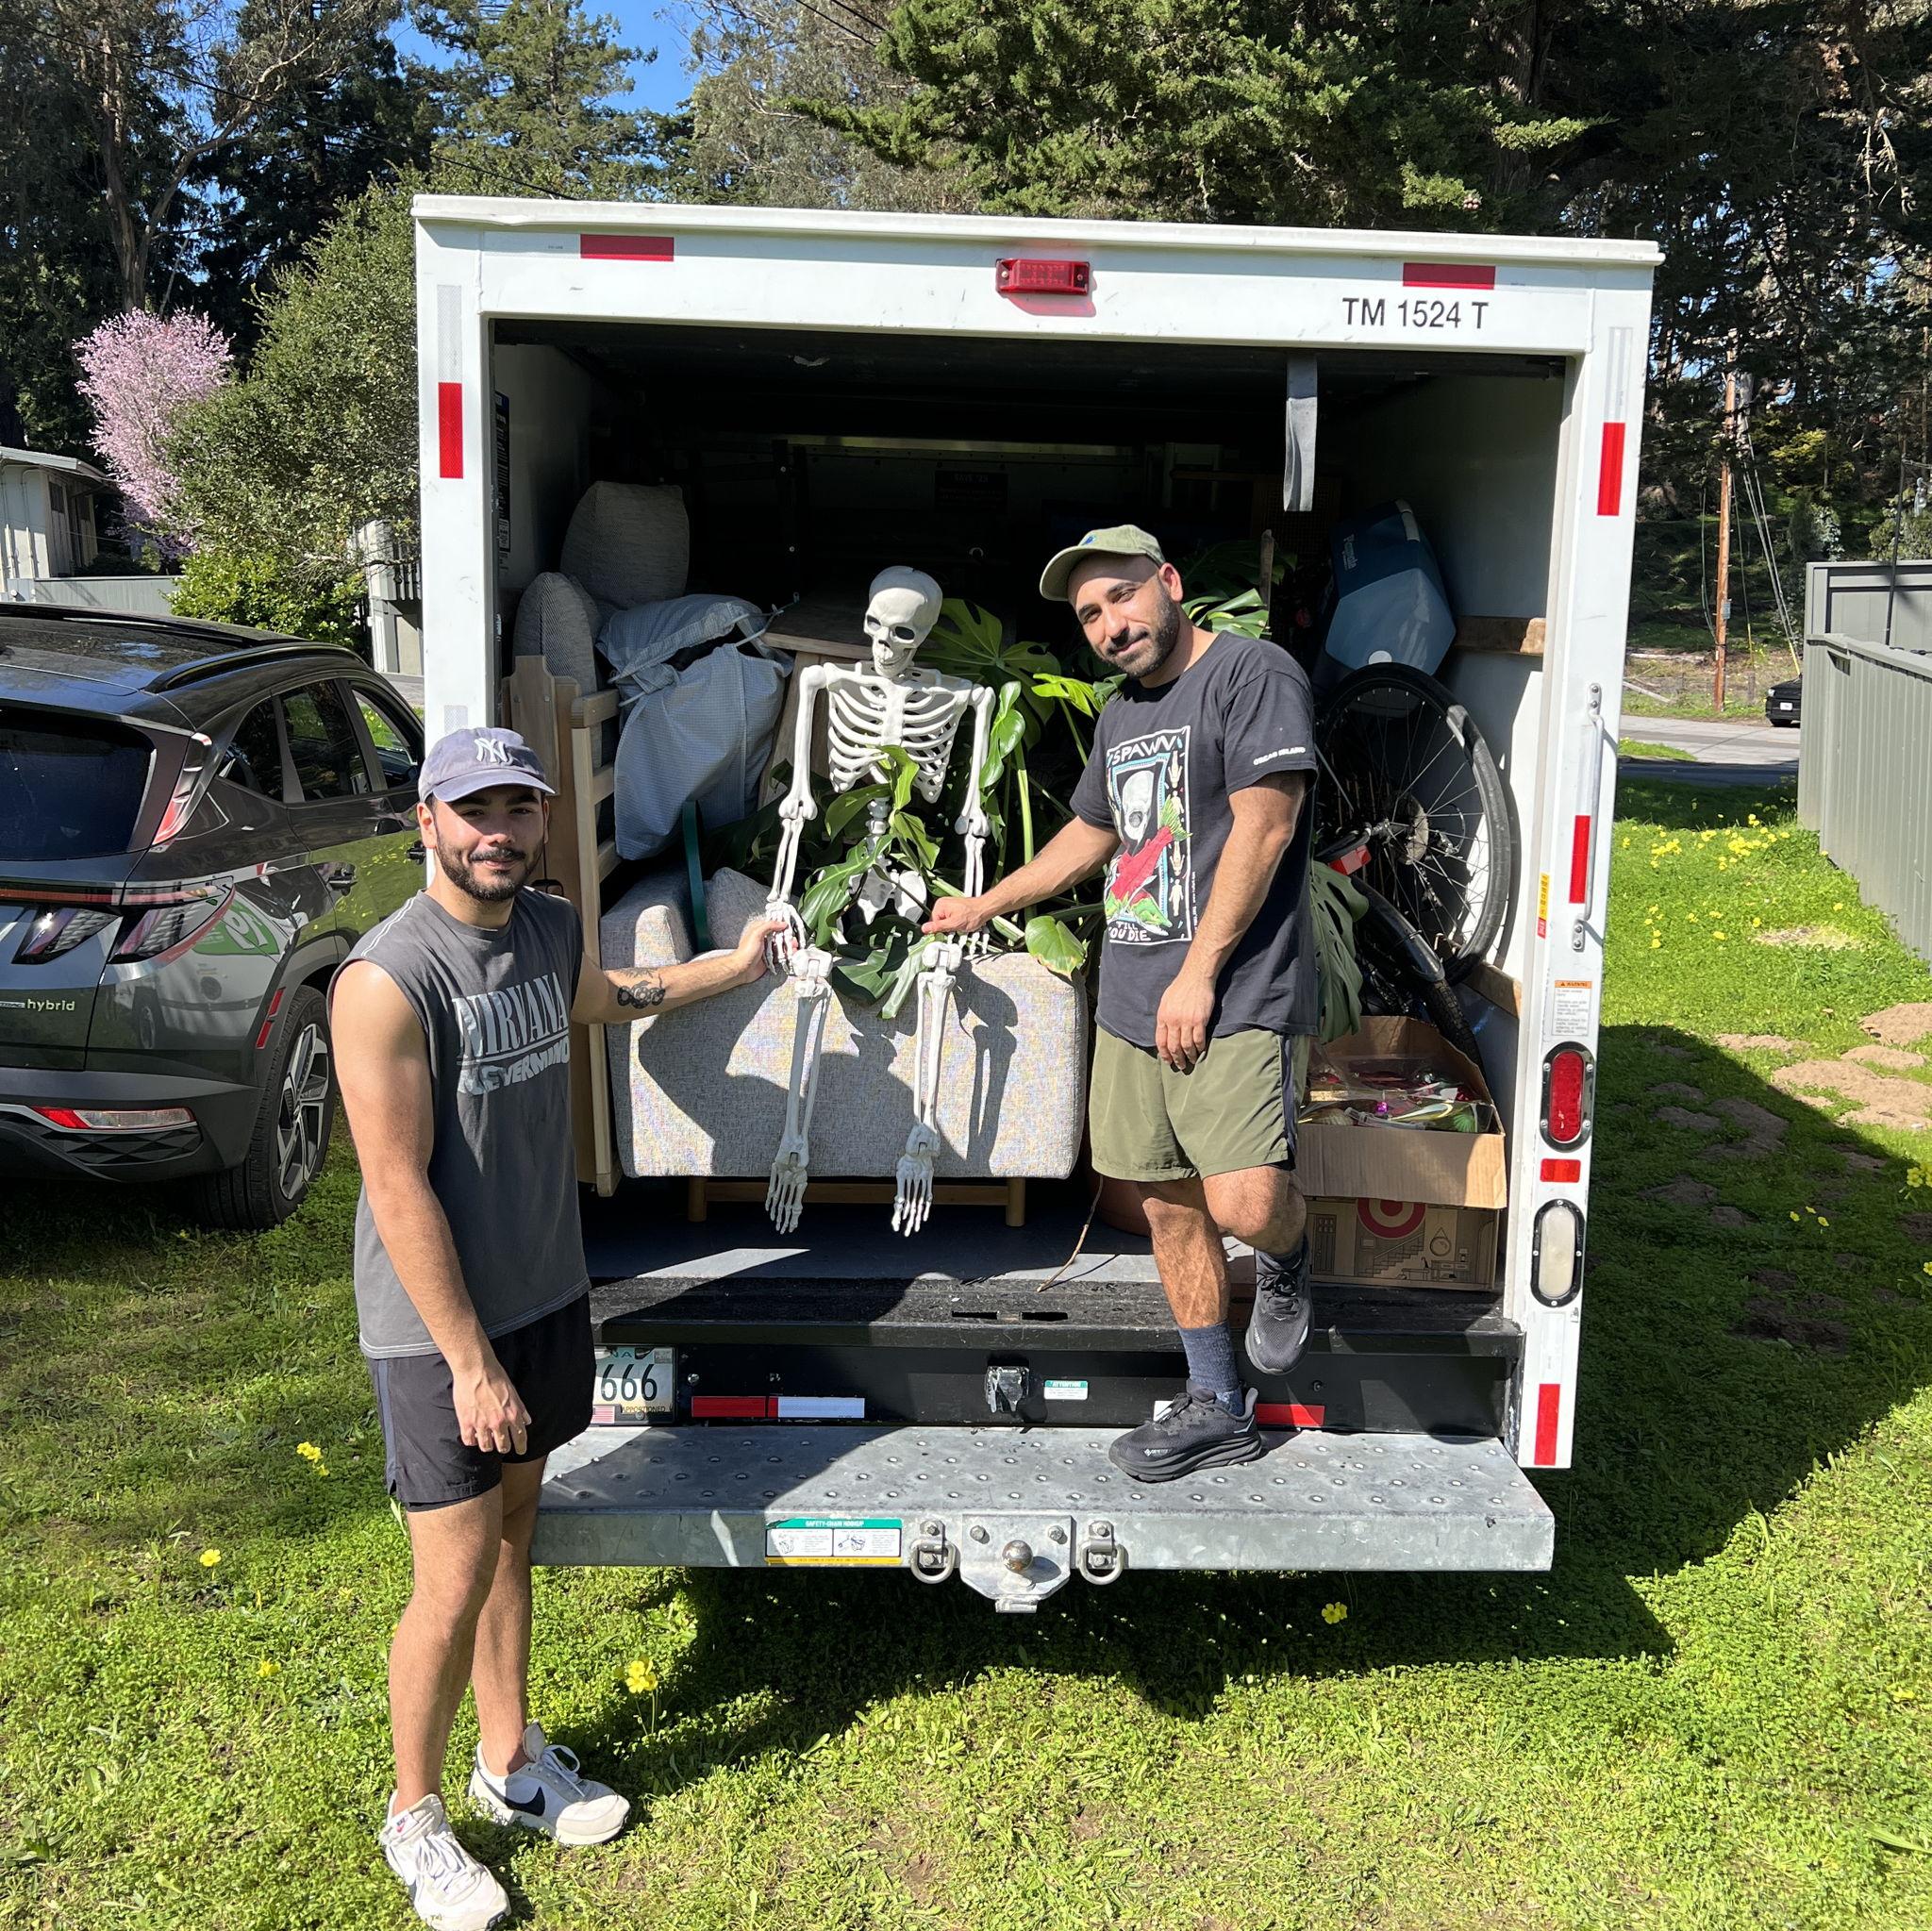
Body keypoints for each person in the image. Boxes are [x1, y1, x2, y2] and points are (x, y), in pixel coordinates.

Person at [334, 726, 776, 1931]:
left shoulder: (547, 924)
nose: (499, 833)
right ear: (425, 821)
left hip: (544, 1293)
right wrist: (468, 1359)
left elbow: (614, 997)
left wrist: (733, 967)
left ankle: (508, 1757)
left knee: (516, 1534)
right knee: (450, 1576)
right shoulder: (387, 980)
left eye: (518, 809)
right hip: (441, 1333)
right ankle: (415, 1817)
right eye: (473, 810)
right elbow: (396, 1182)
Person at [925, 526, 1316, 1481]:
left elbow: (1265, 830)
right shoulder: (1119, 717)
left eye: (1121, 596)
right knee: (1168, 1206)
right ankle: (1217, 1402)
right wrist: (986, 901)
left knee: (1242, 1198)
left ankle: (1289, 1255)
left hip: (1230, 991)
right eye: (1090, 614)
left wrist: (1199, 972)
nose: (1109, 624)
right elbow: (1089, 835)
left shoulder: (1250, 674)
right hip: (1133, 997)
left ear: (1168, 582)